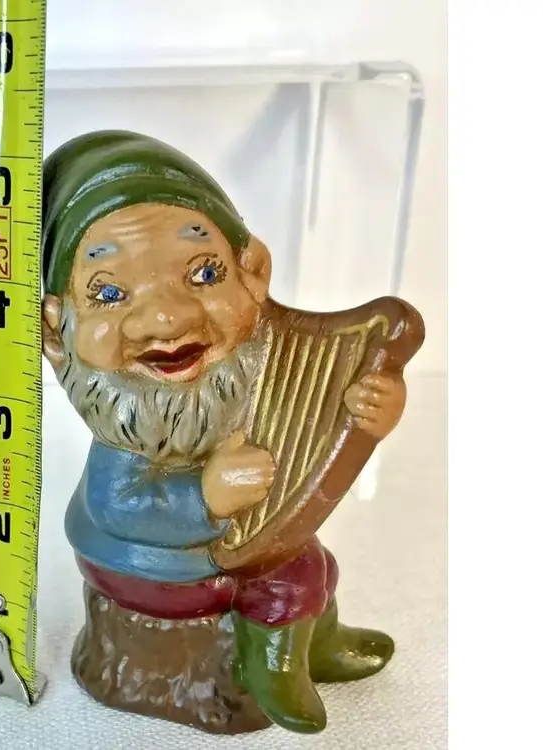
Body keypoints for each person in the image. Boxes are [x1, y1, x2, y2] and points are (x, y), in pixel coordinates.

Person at [41, 130, 407, 733]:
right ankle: (272, 672)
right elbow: (118, 506)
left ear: (253, 273)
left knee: (305, 556)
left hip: (237, 546)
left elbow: (310, 429)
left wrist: (368, 413)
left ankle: (319, 643)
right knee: (292, 570)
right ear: (56, 329)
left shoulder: (249, 376)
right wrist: (204, 497)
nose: (167, 318)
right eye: (109, 292)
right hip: (150, 571)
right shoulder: (125, 440)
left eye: (204, 273)